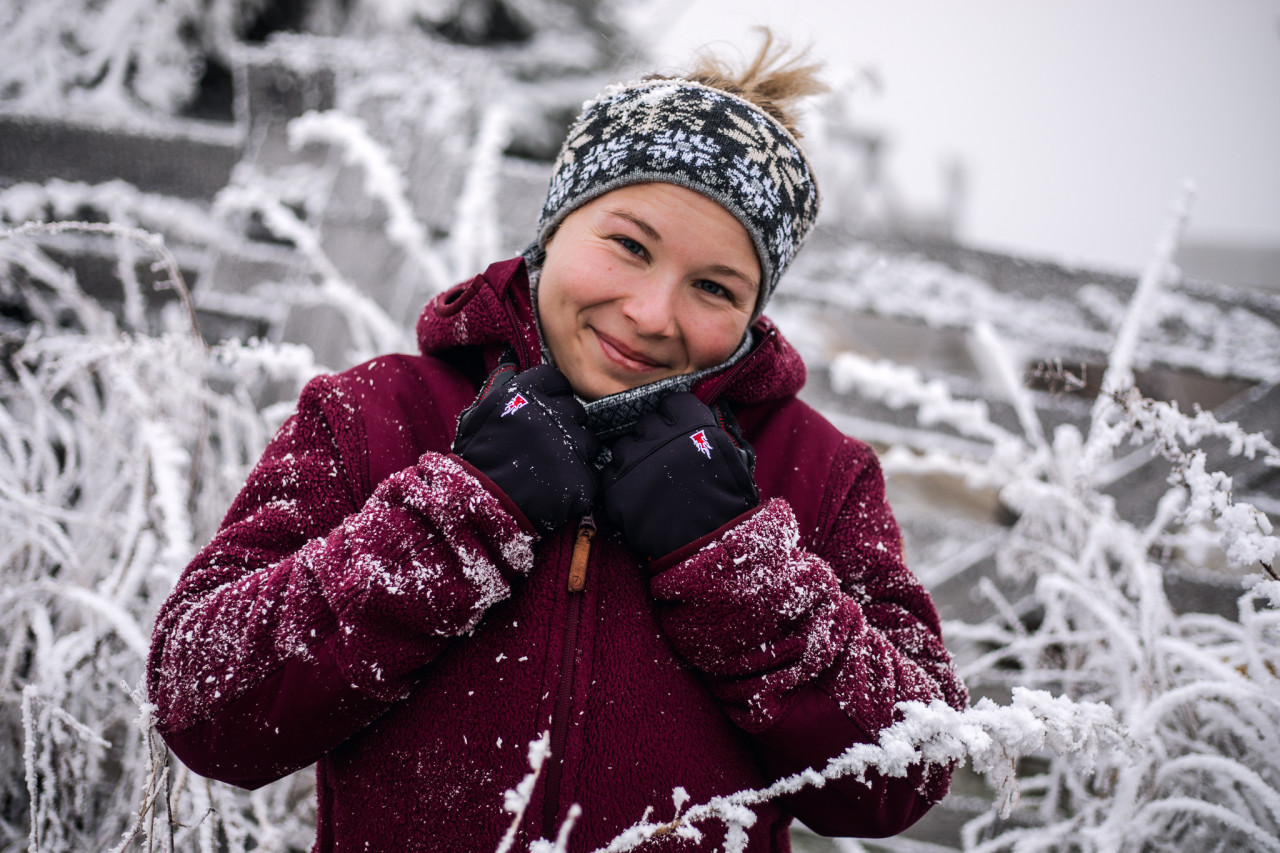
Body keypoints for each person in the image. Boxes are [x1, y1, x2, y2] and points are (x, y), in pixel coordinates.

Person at [147, 33, 968, 852]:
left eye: (714, 286)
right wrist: (460, 512)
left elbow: (911, 767)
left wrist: (732, 561)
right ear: (556, 225)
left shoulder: (817, 473)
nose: (651, 312)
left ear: (754, 309)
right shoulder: (376, 413)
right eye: (629, 244)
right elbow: (197, 698)